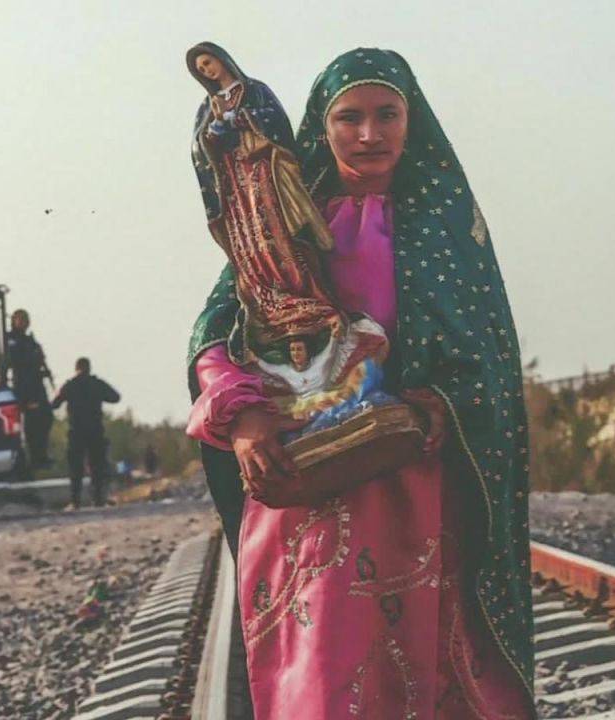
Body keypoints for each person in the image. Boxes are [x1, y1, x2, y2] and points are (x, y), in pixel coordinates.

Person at [186, 49, 534, 718]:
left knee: (434, 678)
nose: (369, 134)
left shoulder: (447, 229)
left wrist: (435, 410)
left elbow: (488, 360)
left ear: (413, 122)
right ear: (323, 123)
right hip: (310, 493)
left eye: (387, 115)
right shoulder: (278, 228)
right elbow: (212, 337)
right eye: (350, 117)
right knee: (325, 682)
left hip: (421, 498)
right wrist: (247, 417)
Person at [53, 358, 120, 508]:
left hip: (76, 431)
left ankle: (75, 501)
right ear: (89, 368)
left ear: (76, 368)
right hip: (95, 430)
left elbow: (55, 404)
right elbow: (115, 397)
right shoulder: (96, 384)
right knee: (97, 466)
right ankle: (98, 499)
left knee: (75, 468)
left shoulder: (70, 385)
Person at [6, 309, 53, 471]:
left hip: (36, 384)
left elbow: (37, 360)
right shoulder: (11, 339)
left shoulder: (29, 340)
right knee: (32, 422)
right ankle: (33, 457)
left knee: (46, 417)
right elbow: (16, 361)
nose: (24, 323)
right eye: (21, 320)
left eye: (26, 319)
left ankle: (40, 455)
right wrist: (33, 359)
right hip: (25, 386)